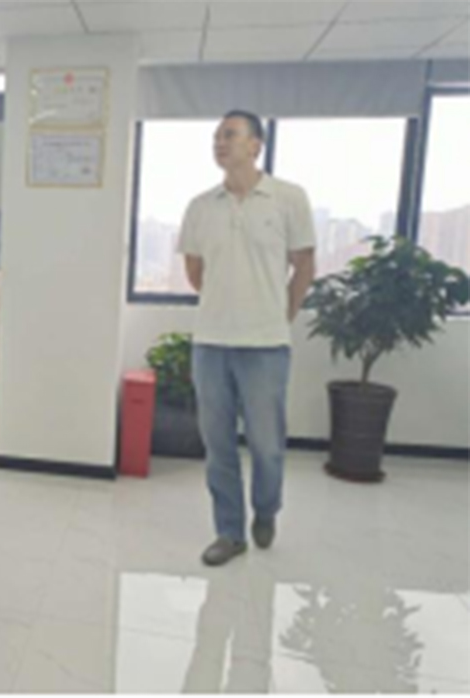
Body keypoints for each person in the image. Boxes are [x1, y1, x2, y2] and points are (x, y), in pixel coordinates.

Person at [178, 109, 316, 566]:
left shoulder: (288, 198)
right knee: (218, 445)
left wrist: (280, 316)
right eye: (216, 137)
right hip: (211, 343)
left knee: (267, 445)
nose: (219, 143)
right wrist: (226, 306)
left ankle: (267, 509)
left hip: (266, 345)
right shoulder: (201, 206)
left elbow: (304, 265)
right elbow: (195, 271)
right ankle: (230, 532)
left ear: (256, 145)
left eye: (230, 135)